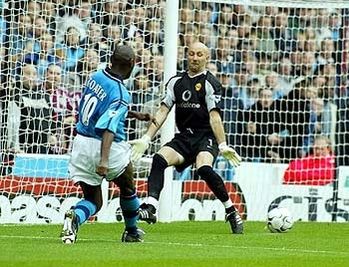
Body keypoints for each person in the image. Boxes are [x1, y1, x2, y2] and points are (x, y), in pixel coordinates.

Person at [130, 42, 243, 234]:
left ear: (207, 58)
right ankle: (151, 207)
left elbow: (214, 117)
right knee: (158, 159)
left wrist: (222, 144)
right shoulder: (176, 82)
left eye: (200, 54)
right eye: (191, 54)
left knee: (204, 169)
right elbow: (163, 110)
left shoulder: (210, 83)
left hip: (206, 137)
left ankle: (231, 210)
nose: (195, 58)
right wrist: (147, 138)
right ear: (187, 55)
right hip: (184, 137)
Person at [61, 44, 153, 244]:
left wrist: (133, 114)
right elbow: (109, 127)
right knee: (127, 186)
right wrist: (104, 160)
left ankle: (75, 217)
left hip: (81, 143)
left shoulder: (95, 77)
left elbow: (100, 108)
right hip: (105, 146)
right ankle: (131, 231)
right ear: (132, 64)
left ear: (111, 59)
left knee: (94, 200)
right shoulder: (121, 93)